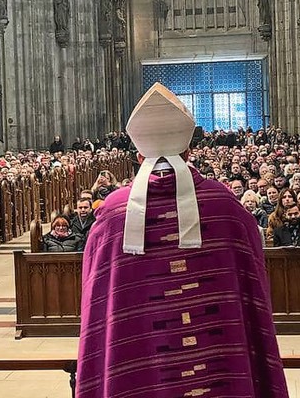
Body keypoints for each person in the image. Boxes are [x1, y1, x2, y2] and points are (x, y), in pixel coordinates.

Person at [77, 83, 287, 397]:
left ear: (138, 155)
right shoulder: (225, 207)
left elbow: (96, 297)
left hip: (140, 368)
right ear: (189, 152)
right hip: (218, 363)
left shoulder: (111, 216)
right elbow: (252, 277)